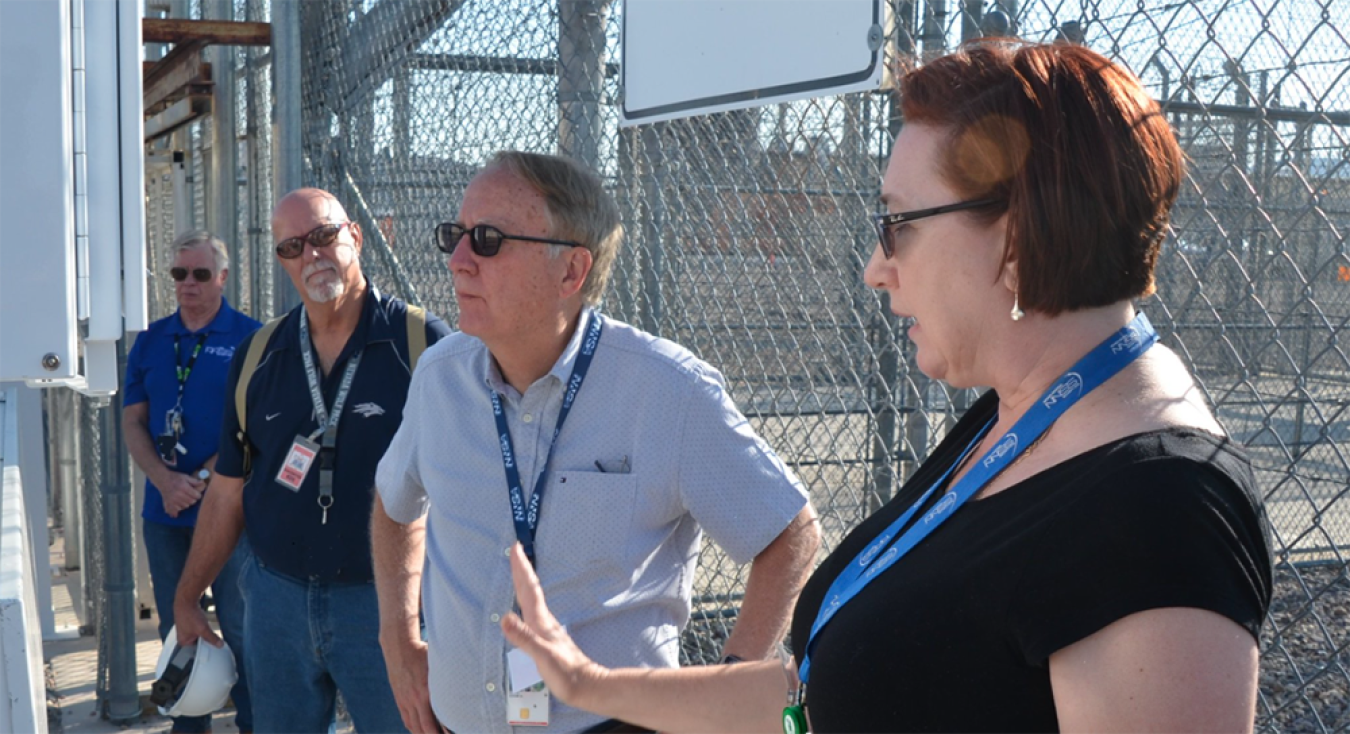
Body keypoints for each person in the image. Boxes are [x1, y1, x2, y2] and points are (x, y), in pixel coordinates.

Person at [496, 41, 1274, 734]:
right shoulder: (1014, 418)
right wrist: (589, 684)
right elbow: (818, 694)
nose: (876, 266)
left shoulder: (1159, 513)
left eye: (897, 223)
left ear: (1015, 234)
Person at [372, 150, 822, 734]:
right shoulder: (439, 378)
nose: (458, 261)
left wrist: (728, 690)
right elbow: (393, 504)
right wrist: (399, 641)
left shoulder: (667, 390)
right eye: (455, 235)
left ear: (571, 272)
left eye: (486, 239)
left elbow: (791, 533)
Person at [173, 188, 451, 734]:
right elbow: (228, 490)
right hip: (276, 601)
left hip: (385, 607)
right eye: (293, 247)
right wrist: (187, 599)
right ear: (281, 260)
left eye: (324, 236)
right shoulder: (261, 354)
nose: (312, 256)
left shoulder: (422, 345)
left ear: (356, 236)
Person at [124, 230, 259, 734]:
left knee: (242, 629)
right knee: (177, 627)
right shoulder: (152, 340)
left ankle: (253, 723)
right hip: (166, 513)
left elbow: (257, 423)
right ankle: (187, 725)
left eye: (201, 274)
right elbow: (132, 421)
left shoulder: (251, 337)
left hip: (228, 512)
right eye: (180, 274)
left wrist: (199, 479)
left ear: (222, 277)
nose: (189, 284)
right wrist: (164, 480)